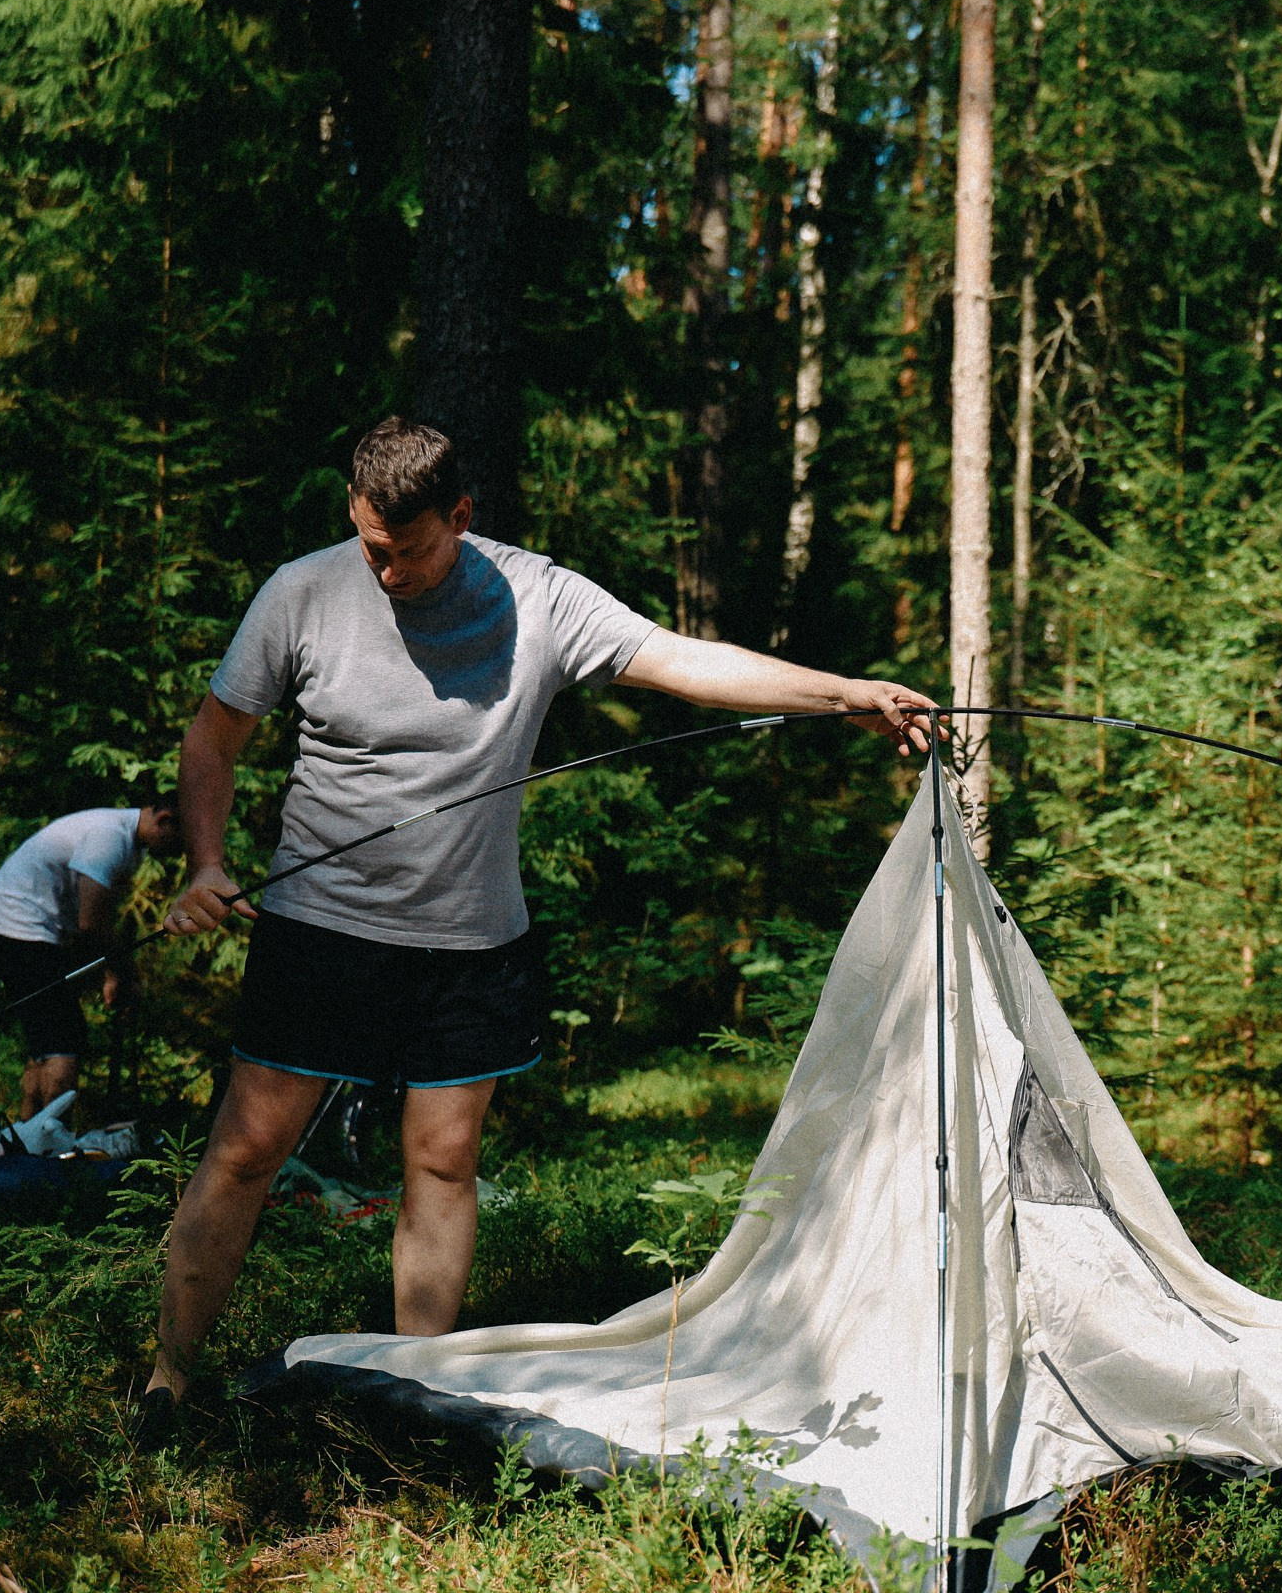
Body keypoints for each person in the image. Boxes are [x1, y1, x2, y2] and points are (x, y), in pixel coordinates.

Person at [140, 416, 937, 1430]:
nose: (386, 572)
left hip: (471, 945)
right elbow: (213, 743)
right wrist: (206, 863)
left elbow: (684, 659)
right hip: (321, 928)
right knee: (248, 1150)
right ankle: (167, 1375)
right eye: (370, 546)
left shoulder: (540, 597)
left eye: (410, 550)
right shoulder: (302, 592)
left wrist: (842, 696)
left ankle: (409, 1393)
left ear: (460, 518)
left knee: (439, 1163)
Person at [0, 794, 183, 1118]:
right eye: (179, 840)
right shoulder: (110, 838)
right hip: (18, 923)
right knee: (64, 1041)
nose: (179, 852)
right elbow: (91, 922)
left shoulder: (129, 844)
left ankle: (26, 1137)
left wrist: (110, 976)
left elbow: (95, 917)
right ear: (164, 818)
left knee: (45, 1040)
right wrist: (123, 973)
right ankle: (50, 1147)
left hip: (21, 924)